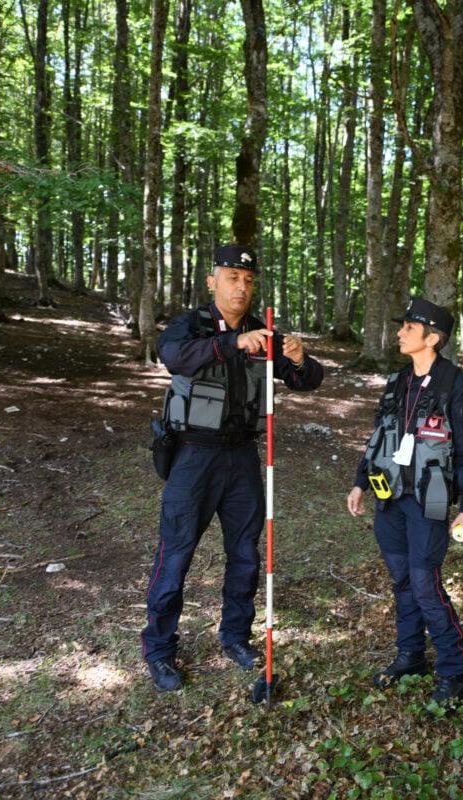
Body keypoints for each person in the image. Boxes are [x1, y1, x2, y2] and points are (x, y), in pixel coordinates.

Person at [141, 243, 324, 692]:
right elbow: (174, 357)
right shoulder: (190, 325)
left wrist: (299, 359)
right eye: (230, 278)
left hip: (242, 456)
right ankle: (160, 650)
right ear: (213, 281)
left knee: (244, 553)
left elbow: (309, 380)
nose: (239, 286)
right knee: (177, 552)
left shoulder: (265, 332)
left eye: (247, 279)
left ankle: (236, 637)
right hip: (193, 456)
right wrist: (231, 342)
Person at [346, 297, 463, 708]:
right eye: (402, 326)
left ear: (433, 338)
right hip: (390, 500)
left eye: (409, 327)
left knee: (425, 583)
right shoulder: (396, 382)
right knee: (404, 581)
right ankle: (409, 656)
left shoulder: (456, 384)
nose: (400, 332)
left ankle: (452, 668)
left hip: (431, 501)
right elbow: (378, 438)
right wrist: (360, 484)